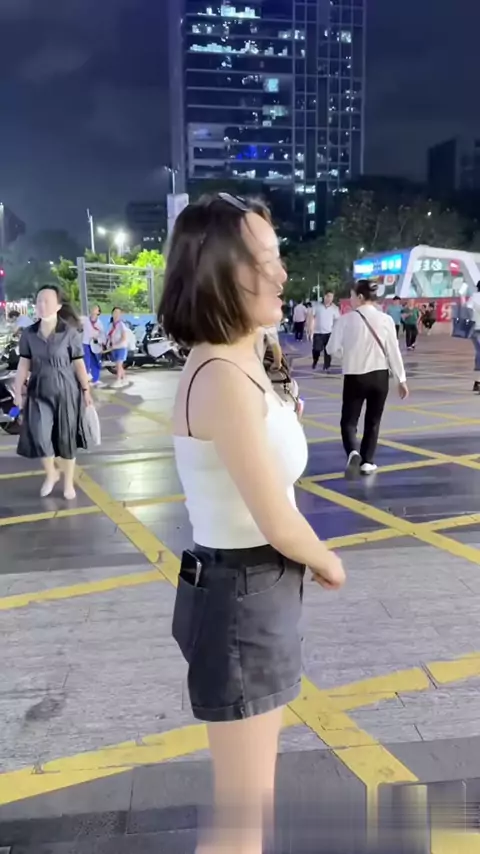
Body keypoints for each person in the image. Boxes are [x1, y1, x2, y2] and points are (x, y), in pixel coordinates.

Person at [159, 192, 346, 854]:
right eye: (265, 258)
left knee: (249, 806)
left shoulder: (239, 356)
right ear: (220, 271)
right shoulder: (221, 376)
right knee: (241, 820)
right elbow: (276, 518)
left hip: (250, 590)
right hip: (242, 595)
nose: (283, 272)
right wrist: (327, 560)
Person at [13, 285, 92, 500]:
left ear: (58, 306)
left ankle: (68, 483)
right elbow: (23, 364)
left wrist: (86, 390)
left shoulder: (69, 332)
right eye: (39, 300)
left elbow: (79, 364)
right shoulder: (29, 334)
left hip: (66, 391)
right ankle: (51, 473)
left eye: (47, 300)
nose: (41, 304)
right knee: (40, 435)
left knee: (66, 439)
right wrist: (18, 391)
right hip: (39, 390)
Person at [327, 280, 408, 476]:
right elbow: (393, 351)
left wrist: (346, 355)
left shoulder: (345, 320)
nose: (351, 299)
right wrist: (401, 379)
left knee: (349, 421)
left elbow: (331, 348)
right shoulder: (386, 320)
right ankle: (367, 462)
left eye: (352, 296)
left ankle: (353, 452)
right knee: (373, 420)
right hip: (380, 377)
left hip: (355, 376)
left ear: (361, 297)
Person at [311, 291, 340, 371]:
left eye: (331, 297)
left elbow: (337, 320)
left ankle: (327, 366)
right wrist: (310, 328)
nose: (329, 298)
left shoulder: (335, 308)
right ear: (324, 296)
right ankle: (315, 360)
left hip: (329, 333)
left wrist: (336, 331)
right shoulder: (317, 306)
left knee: (328, 350)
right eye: (328, 296)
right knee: (316, 349)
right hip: (318, 333)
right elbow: (311, 316)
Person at [82, 304, 105, 387]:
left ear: (99, 312)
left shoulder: (100, 323)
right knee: (86, 362)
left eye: (96, 308)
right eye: (92, 308)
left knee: (95, 362)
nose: (93, 309)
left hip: (95, 345)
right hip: (85, 343)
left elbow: (103, 336)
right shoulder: (85, 320)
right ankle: (86, 380)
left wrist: (98, 340)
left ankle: (95, 379)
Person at [105, 307, 129, 388]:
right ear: (112, 314)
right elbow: (109, 336)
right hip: (114, 348)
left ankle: (118, 380)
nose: (116, 314)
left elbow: (124, 337)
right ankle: (124, 379)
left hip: (121, 347)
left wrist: (116, 344)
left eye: (118, 313)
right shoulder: (111, 325)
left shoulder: (121, 325)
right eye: (115, 312)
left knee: (118, 365)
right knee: (119, 365)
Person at [467, 282, 480, 392]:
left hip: (473, 329)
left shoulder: (473, 297)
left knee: (478, 353)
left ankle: (477, 381)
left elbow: (468, 310)